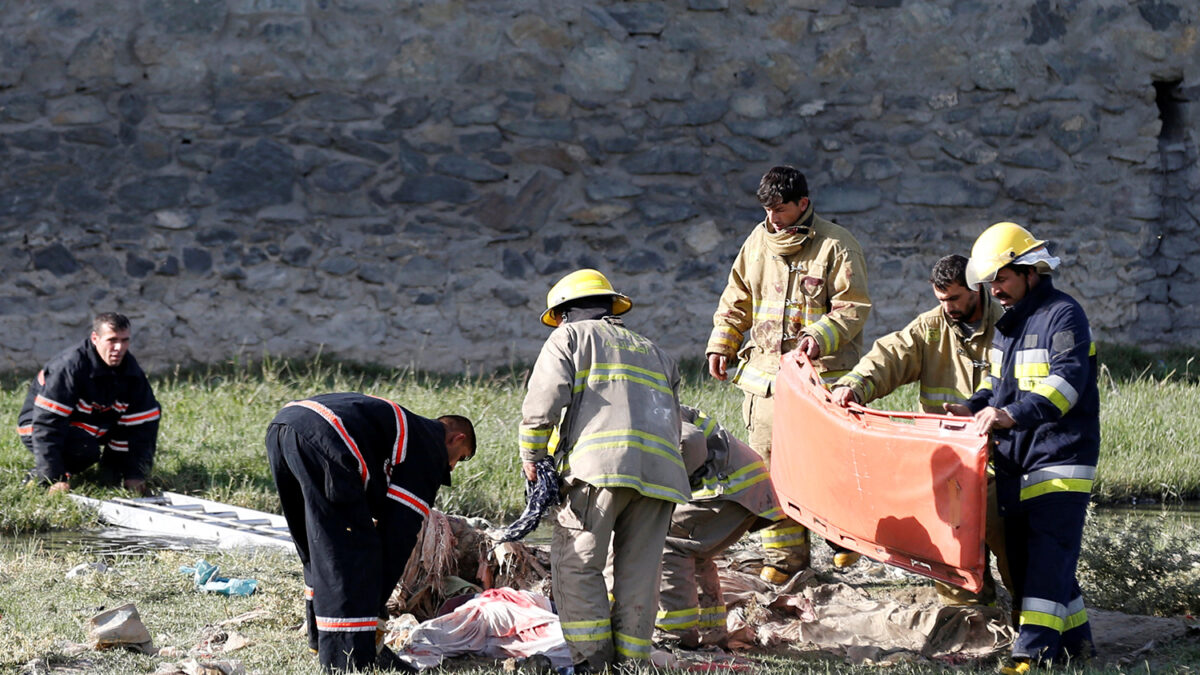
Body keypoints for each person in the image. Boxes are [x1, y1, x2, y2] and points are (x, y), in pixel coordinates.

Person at [945, 222, 1099, 674]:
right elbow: (997, 390)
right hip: (1015, 462)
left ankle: (1031, 655)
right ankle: (1079, 645)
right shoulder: (1007, 327)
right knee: (1035, 559)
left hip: (1060, 459)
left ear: (1031, 271)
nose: (995, 290)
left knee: (1045, 560)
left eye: (1003, 279)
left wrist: (1010, 416)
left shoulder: (1065, 316)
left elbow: (1067, 384)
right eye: (990, 282)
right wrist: (970, 407)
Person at [706, 165, 872, 581]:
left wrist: (819, 336)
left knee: (827, 466)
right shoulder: (756, 244)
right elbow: (736, 297)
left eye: (780, 209)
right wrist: (721, 342)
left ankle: (842, 540)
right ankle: (784, 560)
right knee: (770, 469)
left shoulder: (837, 246)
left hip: (822, 379)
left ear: (804, 204)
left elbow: (853, 307)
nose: (773, 219)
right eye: (767, 209)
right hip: (766, 382)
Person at [519, 269, 688, 672]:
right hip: (661, 477)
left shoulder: (569, 337)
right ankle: (632, 663)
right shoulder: (657, 352)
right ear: (611, 308)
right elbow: (675, 422)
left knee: (579, 565)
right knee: (640, 574)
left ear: (563, 313)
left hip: (598, 472)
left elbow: (543, 403)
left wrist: (533, 455)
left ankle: (593, 664)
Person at [830, 255, 1011, 607]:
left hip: (1001, 463)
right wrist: (854, 385)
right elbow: (890, 356)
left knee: (1013, 550)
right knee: (952, 555)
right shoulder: (930, 327)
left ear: (977, 289)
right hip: (950, 467)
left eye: (955, 299)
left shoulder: (1009, 326)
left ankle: (1029, 623)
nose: (947, 307)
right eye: (940, 299)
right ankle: (968, 622)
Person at [265, 393, 476, 673]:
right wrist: (376, 603)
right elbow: (399, 533)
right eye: (459, 460)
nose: (450, 468)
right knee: (350, 552)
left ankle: (324, 639)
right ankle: (347, 659)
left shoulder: (407, 429)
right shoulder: (430, 448)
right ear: (456, 439)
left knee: (316, 544)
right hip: (326, 435)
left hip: (284, 425)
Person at [655, 406, 785, 649]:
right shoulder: (654, 396)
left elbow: (688, 441)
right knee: (696, 554)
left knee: (667, 544)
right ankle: (712, 632)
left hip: (726, 488)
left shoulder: (647, 404)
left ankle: (674, 637)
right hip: (742, 484)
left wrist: (667, 489)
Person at [17, 312, 160, 495]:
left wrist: (135, 474)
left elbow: (144, 423)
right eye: (112, 340)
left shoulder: (131, 371)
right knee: (84, 450)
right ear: (95, 338)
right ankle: (39, 476)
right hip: (38, 426)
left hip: (88, 425)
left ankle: (110, 470)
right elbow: (47, 424)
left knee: (112, 475)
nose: (119, 347)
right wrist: (53, 477)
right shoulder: (69, 367)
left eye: (125, 340)